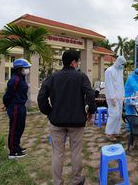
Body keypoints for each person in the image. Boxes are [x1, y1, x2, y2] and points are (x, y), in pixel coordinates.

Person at [38, 50, 96, 185]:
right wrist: (91, 111)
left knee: (57, 153)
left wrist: (49, 112)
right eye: (78, 61)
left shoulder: (52, 77)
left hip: (56, 121)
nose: (78, 64)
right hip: (77, 122)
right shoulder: (81, 77)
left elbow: (41, 97)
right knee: (76, 151)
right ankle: (76, 180)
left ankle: (58, 182)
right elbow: (91, 95)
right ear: (73, 62)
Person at [3, 58, 32, 159]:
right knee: (14, 129)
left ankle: (17, 146)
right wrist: (6, 105)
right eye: (26, 68)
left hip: (21, 106)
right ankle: (12, 152)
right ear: (19, 68)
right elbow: (8, 95)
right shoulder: (14, 80)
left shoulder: (21, 78)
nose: (27, 69)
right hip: (15, 107)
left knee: (20, 127)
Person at [104, 56, 126, 140]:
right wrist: (112, 97)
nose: (123, 66)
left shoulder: (120, 70)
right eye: (122, 64)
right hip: (112, 98)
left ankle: (116, 132)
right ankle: (109, 133)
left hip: (120, 97)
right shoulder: (109, 71)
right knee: (114, 115)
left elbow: (121, 84)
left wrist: (123, 96)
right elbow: (109, 85)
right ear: (118, 62)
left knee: (119, 115)